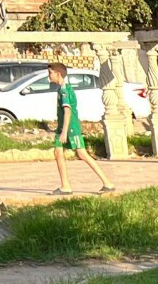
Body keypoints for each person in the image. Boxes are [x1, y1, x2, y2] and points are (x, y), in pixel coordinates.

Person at [48, 62, 113, 195]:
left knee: (82, 154)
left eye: (50, 73)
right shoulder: (62, 89)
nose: (49, 76)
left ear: (58, 74)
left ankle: (107, 183)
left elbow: (67, 111)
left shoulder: (65, 91)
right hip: (63, 128)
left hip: (70, 128)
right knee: (58, 152)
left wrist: (65, 131)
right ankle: (65, 185)